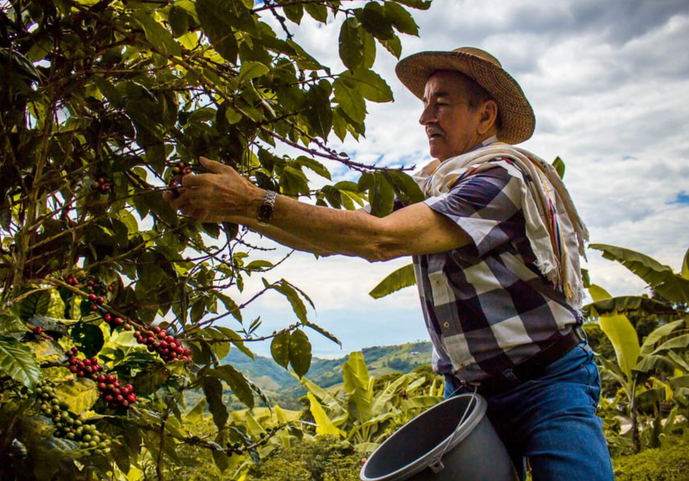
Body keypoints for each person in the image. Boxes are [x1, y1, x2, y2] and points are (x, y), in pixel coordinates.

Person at [167, 47, 614, 480]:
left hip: (546, 383)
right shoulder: (430, 185)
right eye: (424, 105)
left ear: (486, 115)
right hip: (469, 391)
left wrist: (253, 199)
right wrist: (236, 210)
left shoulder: (502, 177)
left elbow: (378, 239)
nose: (425, 118)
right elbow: (339, 235)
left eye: (441, 104)